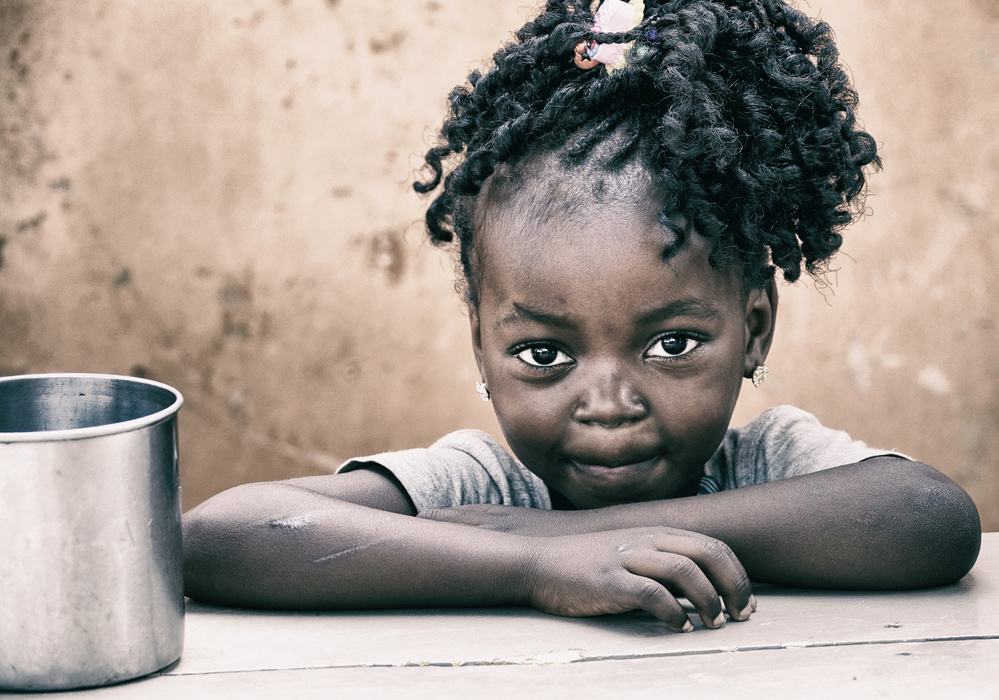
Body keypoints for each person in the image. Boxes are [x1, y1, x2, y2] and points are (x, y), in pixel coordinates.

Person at [183, 0, 982, 633]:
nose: (606, 404)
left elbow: (929, 518)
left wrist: (552, 536)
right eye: (541, 354)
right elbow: (220, 536)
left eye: (671, 343)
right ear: (480, 348)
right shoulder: (485, 484)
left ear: (755, 330)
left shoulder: (766, 463)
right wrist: (531, 570)